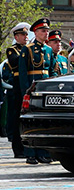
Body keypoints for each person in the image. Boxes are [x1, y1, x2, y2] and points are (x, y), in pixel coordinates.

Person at [17, 18, 57, 164]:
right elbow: (23, 73)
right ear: (36, 32)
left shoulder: (48, 50)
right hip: (33, 89)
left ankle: (43, 153)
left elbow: (52, 70)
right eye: (43, 31)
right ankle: (30, 153)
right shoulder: (27, 49)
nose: (46, 33)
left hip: (46, 88)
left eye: (47, 30)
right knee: (31, 122)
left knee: (45, 122)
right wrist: (25, 93)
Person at [3, 22, 30, 158]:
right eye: (22, 35)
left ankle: (27, 148)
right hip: (16, 87)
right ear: (16, 36)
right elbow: (15, 62)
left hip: (26, 85)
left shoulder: (28, 49)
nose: (25, 37)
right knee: (15, 118)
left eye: (26, 34)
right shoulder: (12, 50)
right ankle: (18, 149)